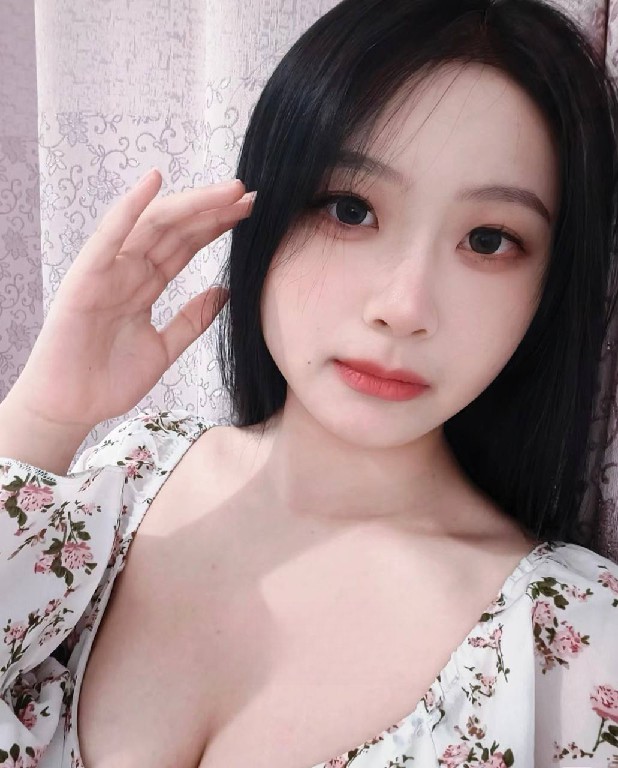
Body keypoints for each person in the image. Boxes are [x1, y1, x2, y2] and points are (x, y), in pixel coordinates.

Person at [1, 0, 618, 765]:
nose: (403, 308)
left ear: (549, 288)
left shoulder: (575, 650)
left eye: (488, 240)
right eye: (351, 209)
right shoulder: (125, 480)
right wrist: (45, 417)